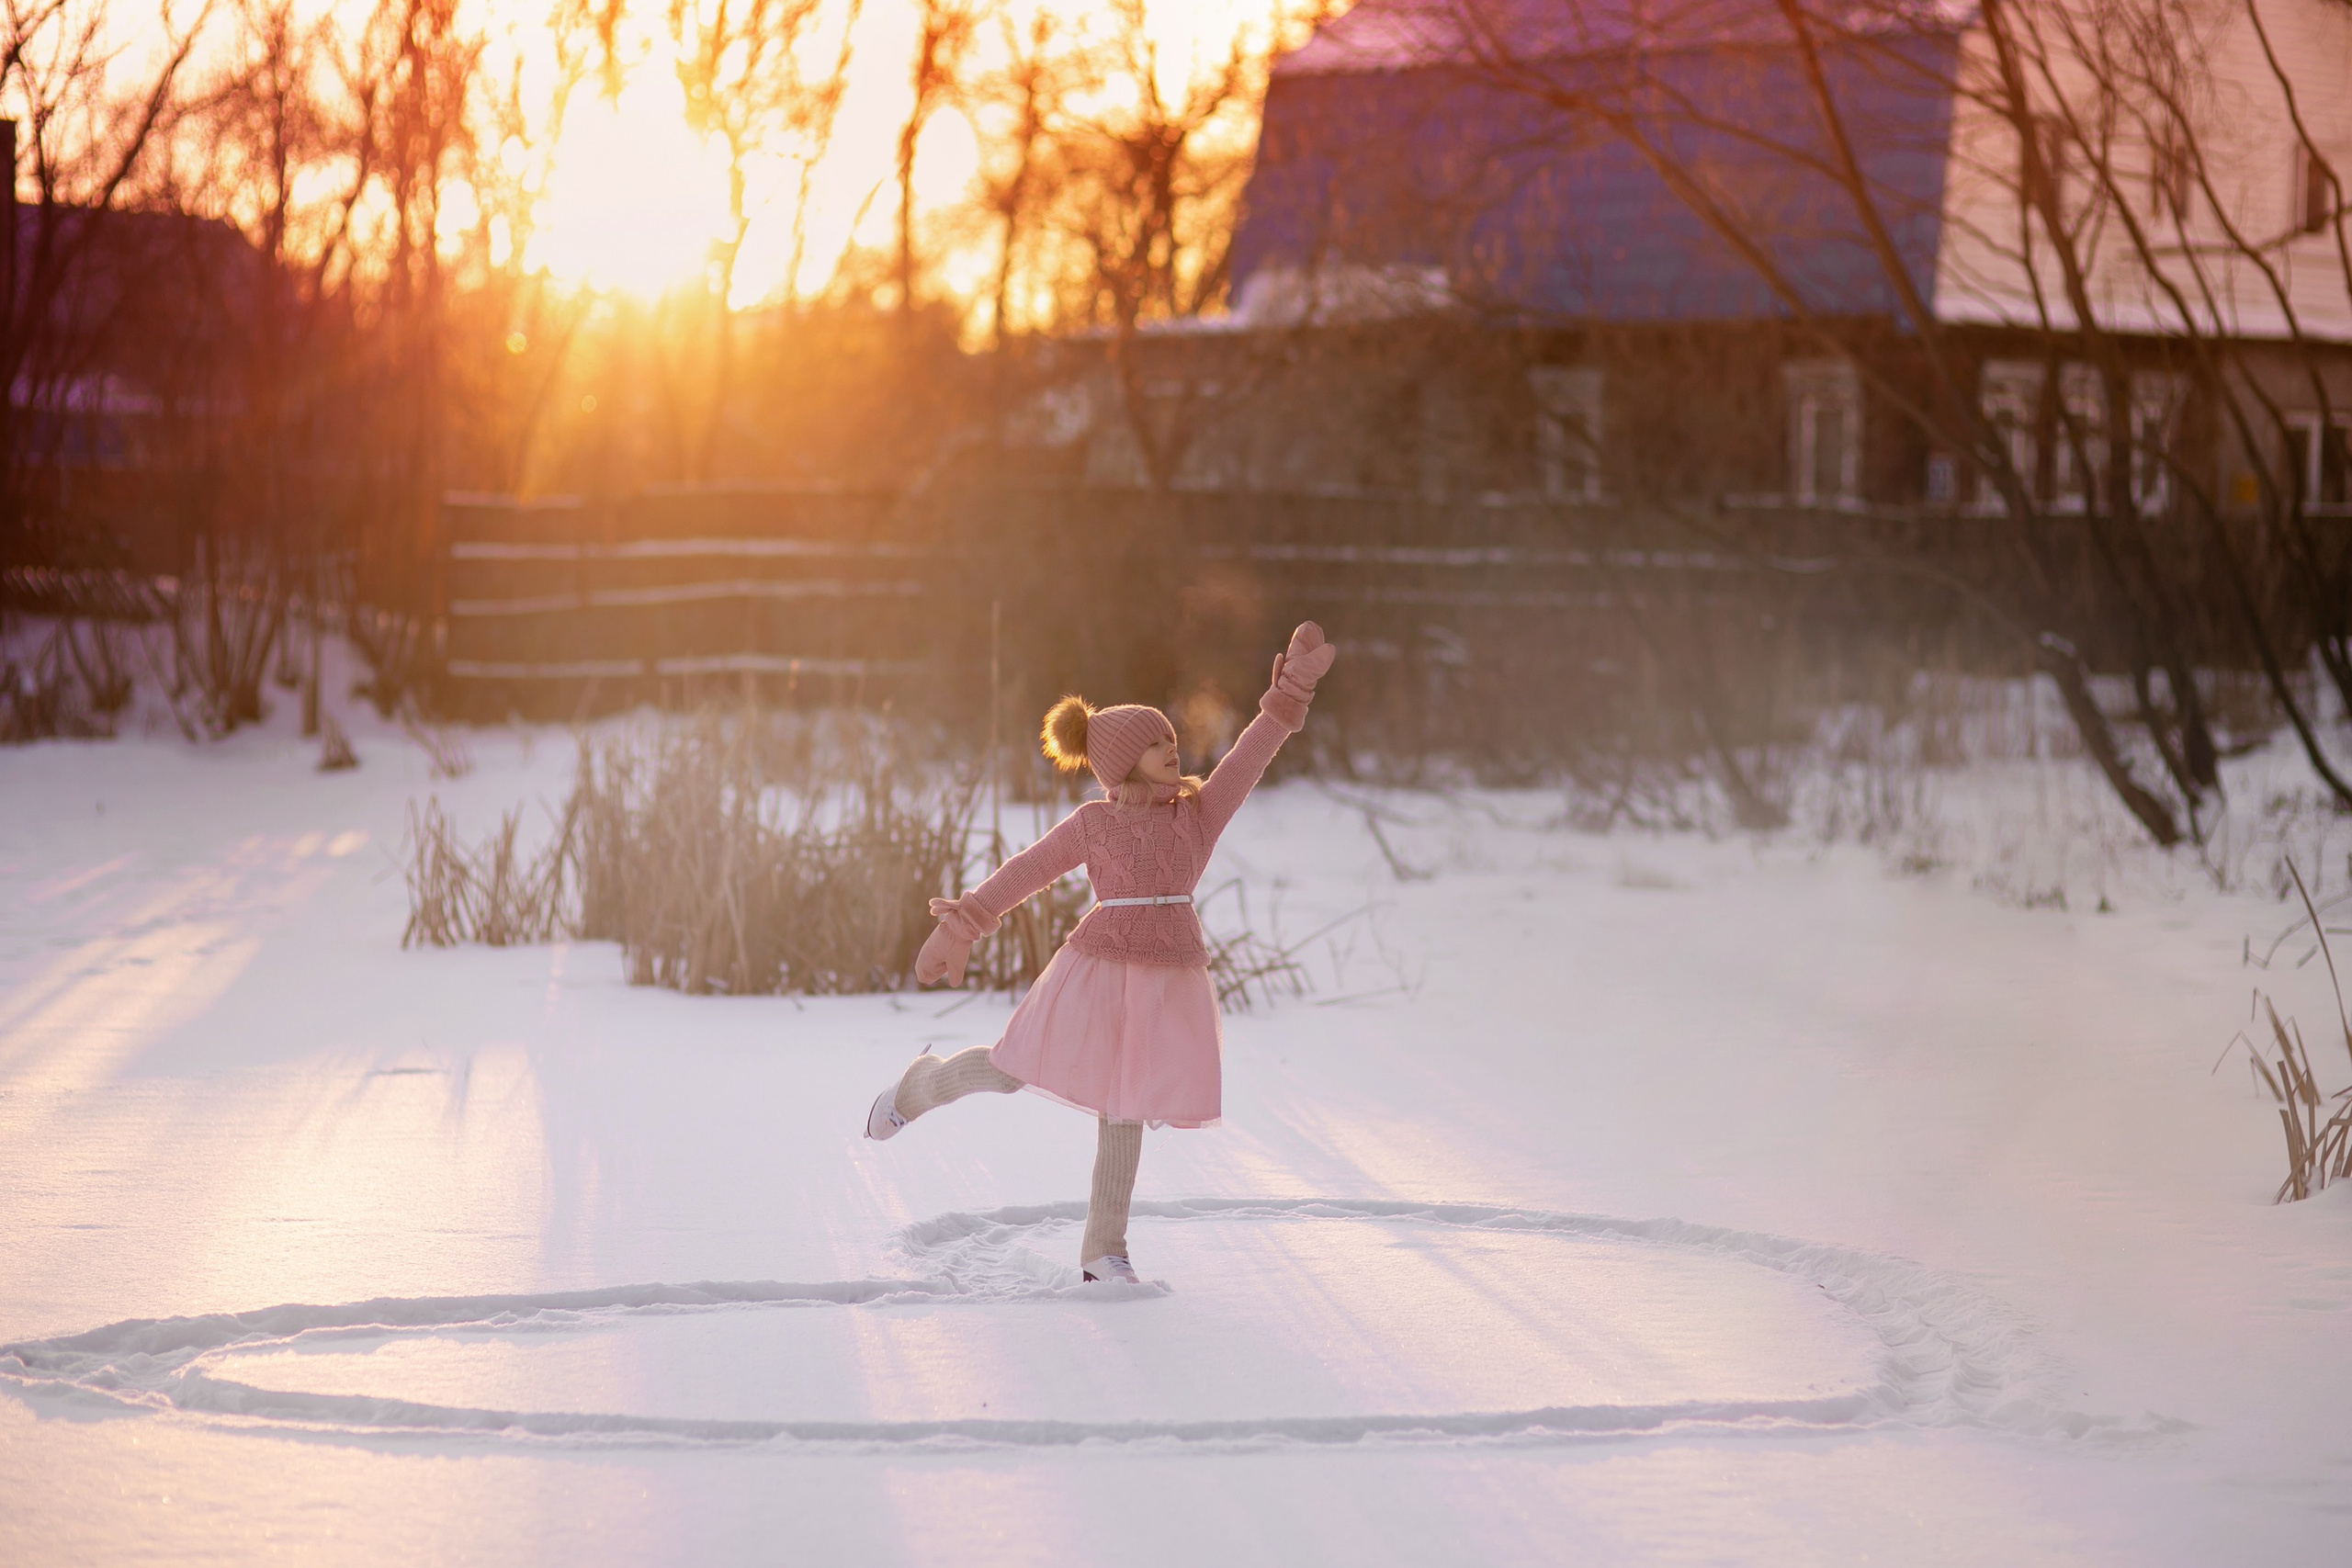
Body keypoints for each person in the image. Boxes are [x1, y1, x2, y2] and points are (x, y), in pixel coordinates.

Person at [863, 622, 1340, 1283]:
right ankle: (918, 1086)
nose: (1172, 748)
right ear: (1119, 760)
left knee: (1129, 1105)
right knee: (1009, 1069)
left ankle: (1102, 1251)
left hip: (1167, 978)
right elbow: (1025, 871)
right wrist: (962, 924)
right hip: (1095, 969)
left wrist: (1288, 694)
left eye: (1171, 738)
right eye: (1154, 742)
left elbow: (1249, 756)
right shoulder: (1094, 822)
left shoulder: (1196, 815)